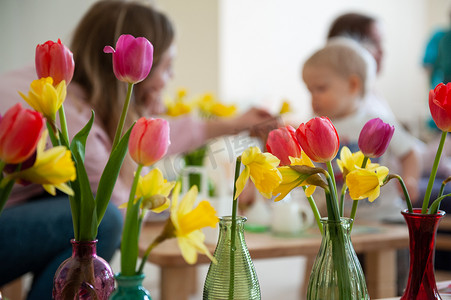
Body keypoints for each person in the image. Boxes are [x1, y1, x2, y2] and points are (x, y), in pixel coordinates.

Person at [0, 1, 278, 299]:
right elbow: (126, 204)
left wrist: (233, 124)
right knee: (102, 221)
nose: (170, 79)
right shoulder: (76, 126)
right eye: (168, 67)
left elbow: (149, 135)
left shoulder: (50, 84)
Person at [301, 37, 421, 222]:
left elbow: (410, 152)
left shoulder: (377, 123)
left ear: (353, 85)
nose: (313, 97)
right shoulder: (317, 128)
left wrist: (410, 179)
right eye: (310, 91)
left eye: (320, 88)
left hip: (385, 217)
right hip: (341, 222)